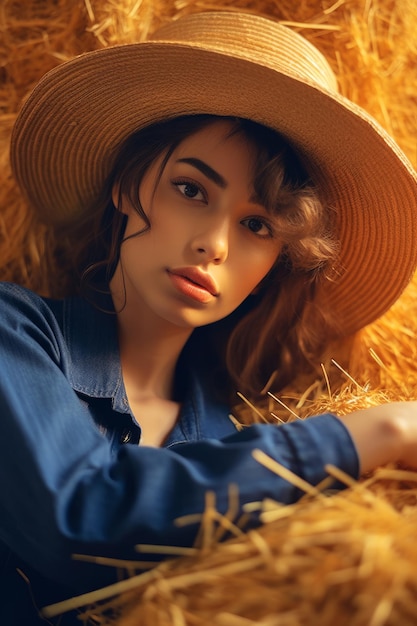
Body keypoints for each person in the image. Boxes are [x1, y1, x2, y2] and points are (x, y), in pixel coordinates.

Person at [2, 10, 417, 625]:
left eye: (256, 225)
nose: (216, 244)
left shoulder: (227, 439)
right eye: (192, 190)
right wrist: (385, 434)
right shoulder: (15, 333)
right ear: (124, 185)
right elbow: (79, 517)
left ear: (274, 264)